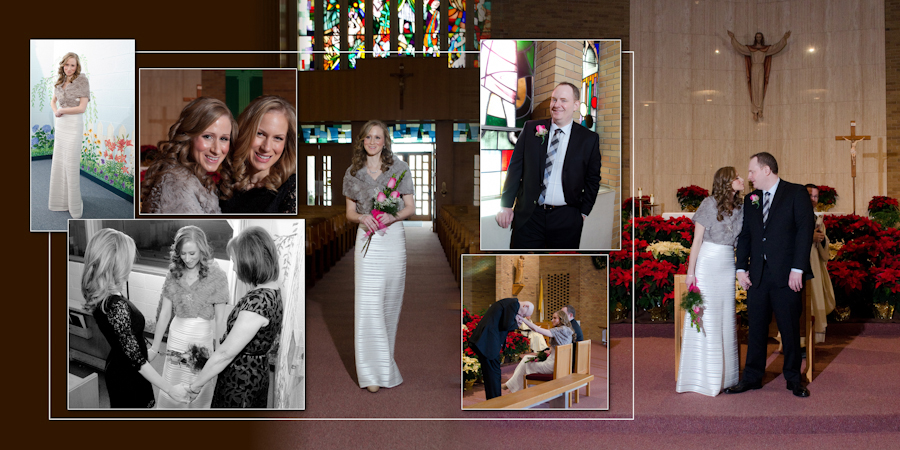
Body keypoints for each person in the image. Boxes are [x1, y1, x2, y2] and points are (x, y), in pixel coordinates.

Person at [729, 152, 814, 397]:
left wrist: (798, 268)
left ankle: (794, 379)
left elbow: (804, 231)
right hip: (758, 276)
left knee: (788, 328)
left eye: (752, 171)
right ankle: (752, 377)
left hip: (787, 275)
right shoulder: (752, 199)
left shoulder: (796, 193)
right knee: (755, 328)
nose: (749, 177)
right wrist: (741, 268)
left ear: (766, 170)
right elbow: (746, 235)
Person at [342, 120, 415, 393]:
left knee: (389, 303)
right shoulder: (352, 172)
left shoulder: (400, 168)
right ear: (362, 141)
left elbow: (410, 207)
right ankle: (371, 373)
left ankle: (384, 364)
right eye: (368, 137)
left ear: (385, 141)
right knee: (367, 304)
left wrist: (391, 216)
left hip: (392, 238)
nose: (373, 141)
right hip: (367, 239)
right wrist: (362, 217)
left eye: (378, 137)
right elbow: (349, 212)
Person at [83, 228, 189, 407]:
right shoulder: (116, 306)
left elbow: (126, 344)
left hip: (121, 365)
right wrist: (170, 389)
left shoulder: (102, 297)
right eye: (129, 259)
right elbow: (136, 360)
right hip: (128, 377)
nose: (131, 264)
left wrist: (154, 349)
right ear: (116, 263)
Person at [495, 82, 603, 249]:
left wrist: (583, 212)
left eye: (563, 100)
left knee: (559, 271)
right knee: (522, 267)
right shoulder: (531, 129)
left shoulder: (589, 139)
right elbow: (515, 168)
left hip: (566, 219)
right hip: (529, 217)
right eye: (554, 99)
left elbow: (593, 179)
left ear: (575, 105)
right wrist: (506, 205)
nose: (556, 105)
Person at [186, 226, 284, 408]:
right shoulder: (272, 289)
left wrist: (195, 386)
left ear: (249, 262)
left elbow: (224, 354)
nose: (234, 268)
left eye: (235, 261)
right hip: (255, 373)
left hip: (241, 383)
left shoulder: (259, 303)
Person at [676, 167, 744, 397]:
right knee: (708, 316)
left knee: (724, 317)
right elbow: (696, 241)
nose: (741, 179)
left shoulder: (742, 207)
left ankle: (726, 376)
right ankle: (702, 377)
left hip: (727, 264)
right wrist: (691, 272)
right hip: (708, 262)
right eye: (736, 177)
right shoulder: (708, 203)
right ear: (726, 181)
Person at [149, 226, 229, 408]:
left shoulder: (218, 276)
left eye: (192, 253)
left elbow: (220, 319)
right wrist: (154, 347)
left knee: (198, 388)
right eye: (183, 254)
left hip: (202, 341)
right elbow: (165, 313)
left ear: (202, 249)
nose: (187, 259)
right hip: (177, 337)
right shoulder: (173, 274)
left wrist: (219, 350)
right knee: (173, 386)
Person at [141, 97, 237, 214]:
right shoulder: (176, 185)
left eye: (223, 138)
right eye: (207, 136)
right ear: (188, 136)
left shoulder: (193, 177)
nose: (217, 150)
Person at [220, 95, 297, 214]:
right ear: (244, 133)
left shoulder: (291, 188)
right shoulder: (224, 184)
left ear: (287, 143)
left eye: (278, 138)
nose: (266, 147)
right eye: (260, 134)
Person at [48, 52, 90, 219]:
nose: (69, 68)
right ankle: (60, 202)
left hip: (73, 124)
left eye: (72, 65)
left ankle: (73, 205)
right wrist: (56, 112)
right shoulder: (60, 82)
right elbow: (53, 101)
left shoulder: (82, 80)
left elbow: (82, 108)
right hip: (61, 124)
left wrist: (62, 110)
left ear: (77, 66)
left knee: (71, 164)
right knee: (59, 162)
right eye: (66, 65)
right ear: (62, 65)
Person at [467, 299, 534, 400]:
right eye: (524, 315)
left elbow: (504, 323)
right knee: (493, 373)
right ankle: (495, 401)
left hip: (487, 342)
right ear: (525, 306)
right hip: (488, 342)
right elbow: (506, 325)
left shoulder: (510, 304)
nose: (522, 317)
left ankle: (493, 400)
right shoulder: (514, 304)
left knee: (492, 373)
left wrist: (516, 321)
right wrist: (517, 323)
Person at [504, 309, 575, 393]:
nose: (552, 320)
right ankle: (512, 387)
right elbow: (560, 345)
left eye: (554, 318)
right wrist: (550, 350)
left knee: (525, 363)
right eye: (552, 318)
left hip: (553, 365)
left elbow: (537, 329)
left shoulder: (561, 330)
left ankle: (513, 388)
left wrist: (523, 319)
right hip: (560, 363)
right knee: (527, 358)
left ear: (561, 319)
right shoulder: (566, 329)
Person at [727, 30, 791, 121]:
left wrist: (784, 38)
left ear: (762, 38)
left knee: (760, 88)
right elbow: (740, 47)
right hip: (754, 68)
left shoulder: (765, 49)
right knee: (754, 89)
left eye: (759, 37)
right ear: (755, 38)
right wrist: (733, 38)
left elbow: (776, 47)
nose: (758, 38)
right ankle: (754, 111)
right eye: (757, 37)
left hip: (761, 67)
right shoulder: (751, 49)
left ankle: (760, 110)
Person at [805, 184, 835, 344]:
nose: (813, 199)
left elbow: (824, 246)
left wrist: (821, 239)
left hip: (814, 263)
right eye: (809, 195)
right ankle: (799, 342)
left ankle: (811, 342)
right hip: (799, 266)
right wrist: (810, 238)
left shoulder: (817, 219)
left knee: (815, 299)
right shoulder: (793, 215)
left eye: (815, 196)